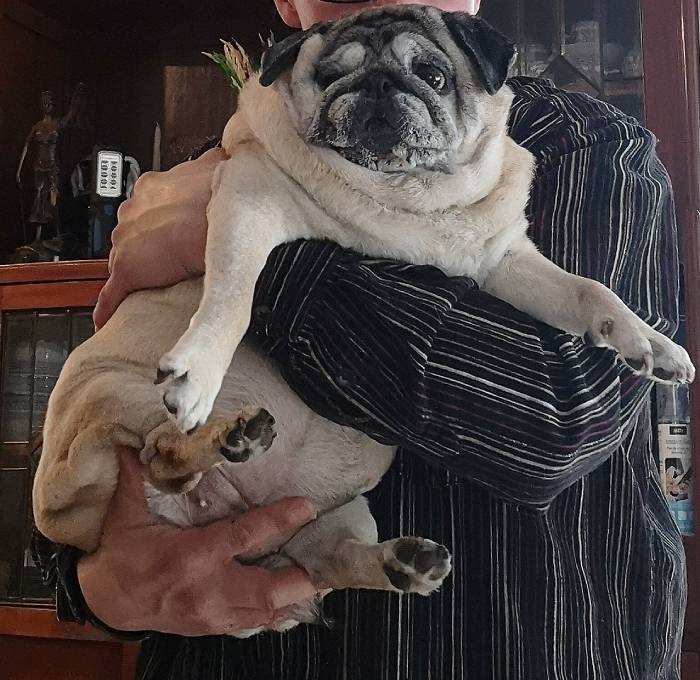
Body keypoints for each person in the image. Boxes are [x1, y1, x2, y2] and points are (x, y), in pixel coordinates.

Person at [33, 0, 687, 678]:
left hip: (519, 647)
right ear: (288, 5)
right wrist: (96, 585)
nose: (382, 92)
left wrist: (264, 255)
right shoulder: (217, 162)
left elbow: (559, 419)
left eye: (428, 75)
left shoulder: (592, 147)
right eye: (339, 77)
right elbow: (105, 391)